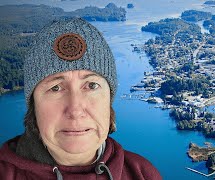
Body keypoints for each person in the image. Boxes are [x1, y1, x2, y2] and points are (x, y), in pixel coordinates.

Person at [0, 18, 162, 180]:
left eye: (91, 85)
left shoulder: (142, 173)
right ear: (34, 106)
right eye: (55, 88)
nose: (76, 110)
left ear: (109, 100)